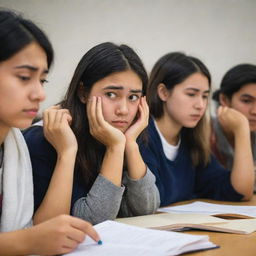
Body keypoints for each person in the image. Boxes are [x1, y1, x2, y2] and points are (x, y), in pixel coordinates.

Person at [23, 42, 160, 225]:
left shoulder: (126, 134)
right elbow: (92, 221)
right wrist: (115, 148)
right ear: (83, 93)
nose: (124, 110)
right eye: (111, 94)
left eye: (133, 97)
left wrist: (130, 145)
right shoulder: (45, 139)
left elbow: (146, 208)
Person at [0, 10, 100, 256]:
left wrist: (68, 151)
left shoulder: (14, 145)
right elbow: (34, 238)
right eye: (24, 77)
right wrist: (24, 242)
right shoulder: (33, 139)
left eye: (42, 80)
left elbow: (46, 235)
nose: (40, 94)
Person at [139, 52, 254, 207]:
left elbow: (239, 192)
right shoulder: (143, 136)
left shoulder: (190, 138)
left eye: (205, 96)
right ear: (163, 92)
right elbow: (147, 203)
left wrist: (242, 131)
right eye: (191, 94)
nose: (200, 105)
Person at [211, 64, 256, 190]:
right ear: (224, 99)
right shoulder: (204, 133)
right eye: (247, 101)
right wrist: (241, 129)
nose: (255, 111)